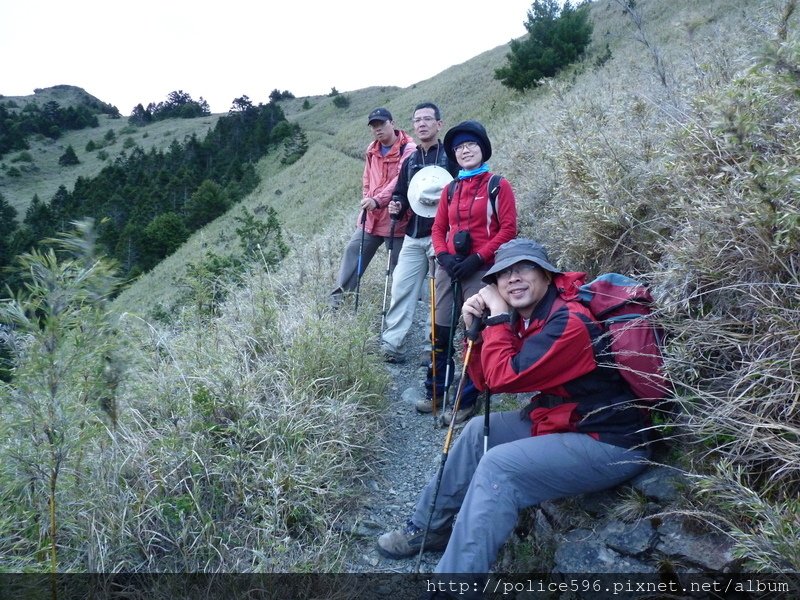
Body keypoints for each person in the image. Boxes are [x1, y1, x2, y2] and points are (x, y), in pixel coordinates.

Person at [376, 238, 651, 581]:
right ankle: (429, 527)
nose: (513, 278)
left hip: (611, 441)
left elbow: (503, 377)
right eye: (503, 274)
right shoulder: (532, 316)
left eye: (525, 268)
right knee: (477, 432)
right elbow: (484, 378)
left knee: (499, 467)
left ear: (548, 276)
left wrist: (498, 317)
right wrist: (473, 330)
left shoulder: (569, 323)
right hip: (568, 421)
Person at [423, 120, 517, 423]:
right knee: (439, 331)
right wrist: (443, 256)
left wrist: (478, 257)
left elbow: (508, 229)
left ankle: (466, 399)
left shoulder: (497, 185)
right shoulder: (450, 189)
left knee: (473, 332)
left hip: (481, 269)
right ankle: (435, 392)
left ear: (482, 149)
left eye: (471, 145)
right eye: (459, 147)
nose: (465, 150)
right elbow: (438, 228)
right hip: (448, 268)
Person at [380, 102, 459, 364]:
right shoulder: (410, 160)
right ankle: (393, 343)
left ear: (439, 124)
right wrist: (397, 205)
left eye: (427, 119)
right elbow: (401, 193)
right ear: (413, 125)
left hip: (444, 233)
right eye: (417, 120)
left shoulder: (452, 155)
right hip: (414, 234)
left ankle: (432, 346)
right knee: (402, 286)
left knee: (438, 291)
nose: (422, 124)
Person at [330, 107, 416, 308]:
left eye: (382, 124)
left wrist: (378, 200)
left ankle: (406, 306)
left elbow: (400, 181)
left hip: (396, 217)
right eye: (374, 126)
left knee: (399, 266)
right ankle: (337, 302)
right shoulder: (372, 149)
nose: (378, 129)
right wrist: (367, 199)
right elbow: (367, 177)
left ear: (392, 123)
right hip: (371, 217)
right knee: (353, 251)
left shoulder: (409, 149)